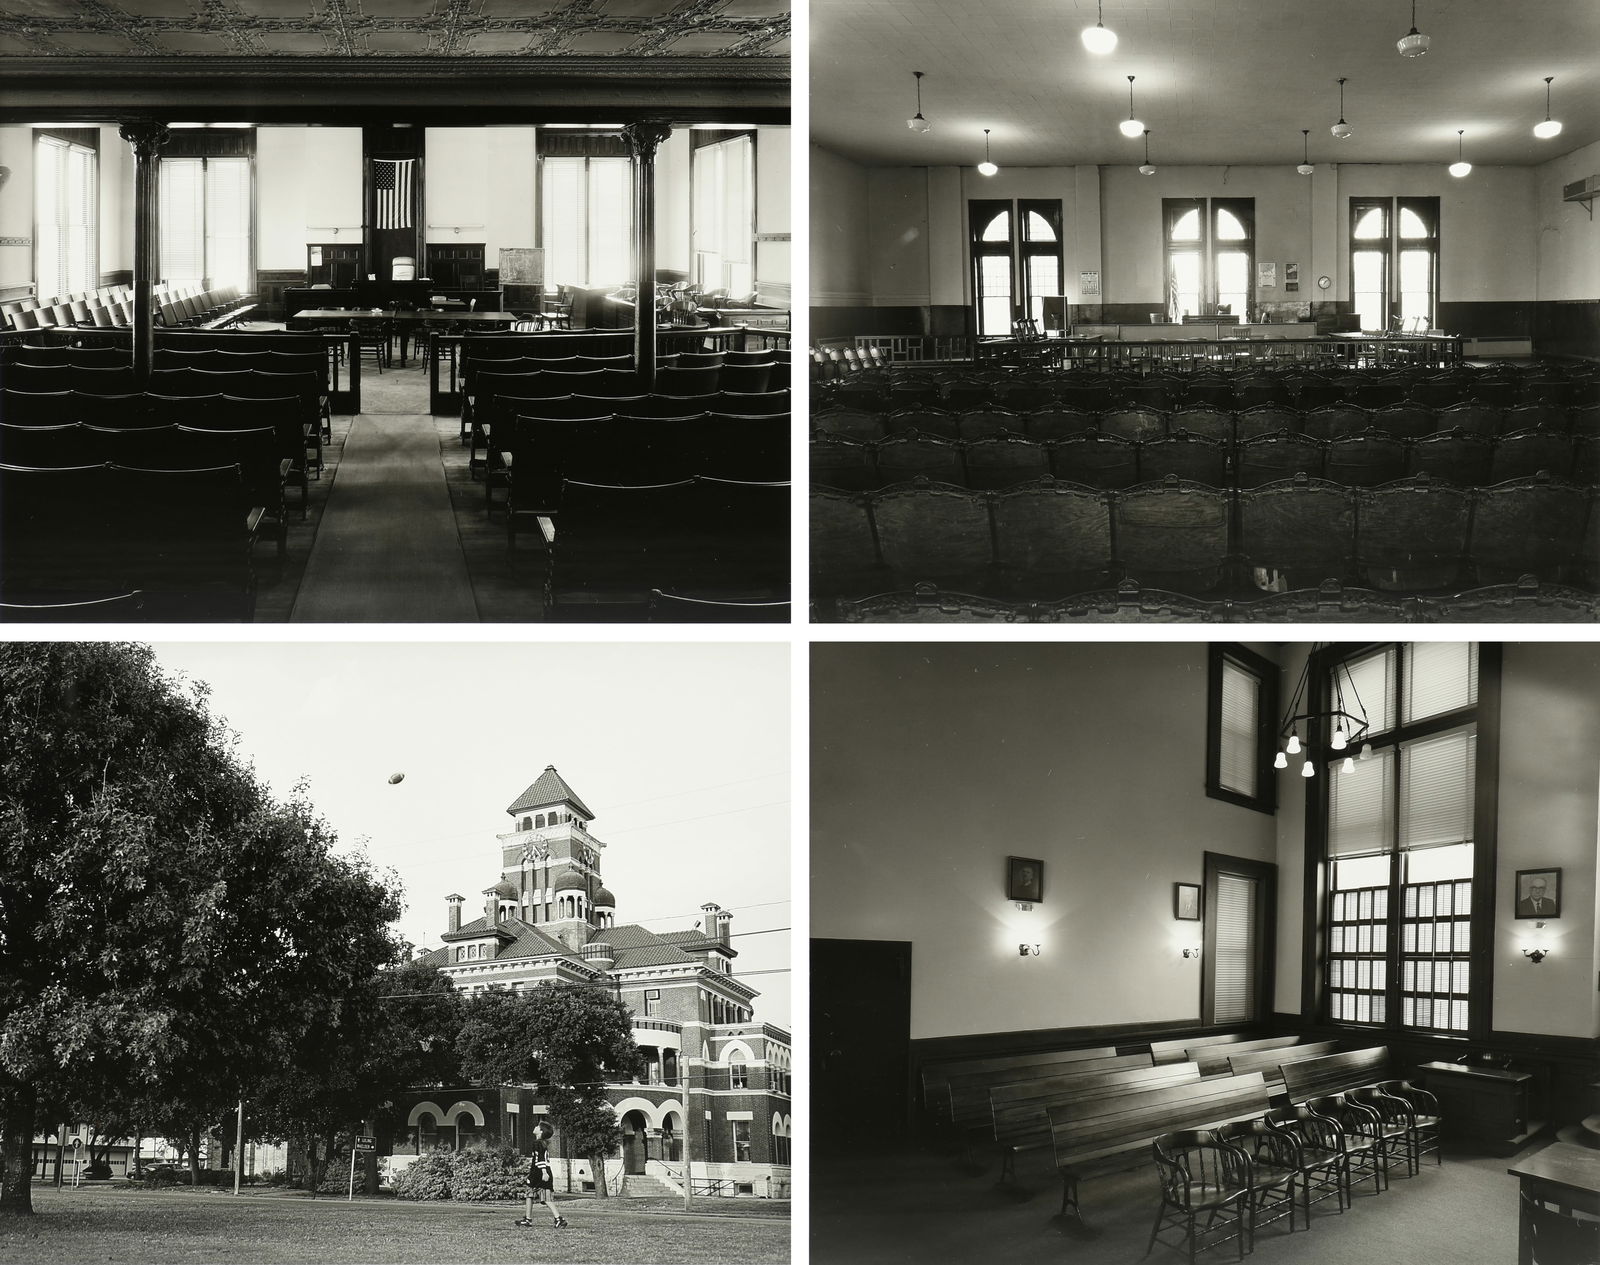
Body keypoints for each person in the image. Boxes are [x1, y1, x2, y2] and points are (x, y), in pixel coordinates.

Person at [514, 1124, 566, 1229]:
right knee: (532, 1195)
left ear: (541, 1131)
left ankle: (558, 1219)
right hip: (539, 1172)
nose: (535, 1127)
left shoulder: (537, 1143)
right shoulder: (543, 1143)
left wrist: (544, 1172)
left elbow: (540, 1159)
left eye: (538, 1127)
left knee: (540, 1196)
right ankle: (529, 1219)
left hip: (539, 1173)